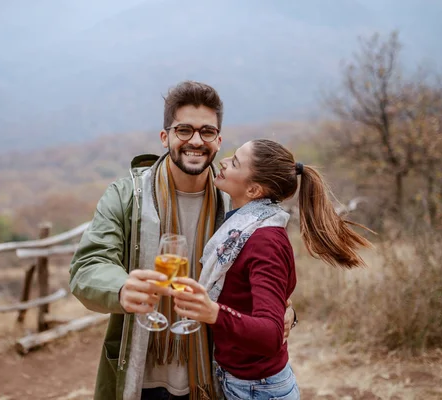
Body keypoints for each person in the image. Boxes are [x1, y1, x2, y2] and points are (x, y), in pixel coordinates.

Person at [69, 82, 298, 400]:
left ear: (218, 141)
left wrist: (287, 312)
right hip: (141, 376)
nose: (195, 140)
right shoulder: (126, 197)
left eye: (206, 132)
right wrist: (121, 287)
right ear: (165, 137)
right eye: (184, 130)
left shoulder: (235, 205)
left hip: (211, 376)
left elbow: (263, 279)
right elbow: (87, 268)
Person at [171, 139, 374, 400]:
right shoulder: (243, 224)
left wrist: (213, 312)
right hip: (243, 380)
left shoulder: (264, 241)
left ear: (254, 190)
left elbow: (270, 335)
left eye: (234, 162)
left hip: (257, 390)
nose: (222, 161)